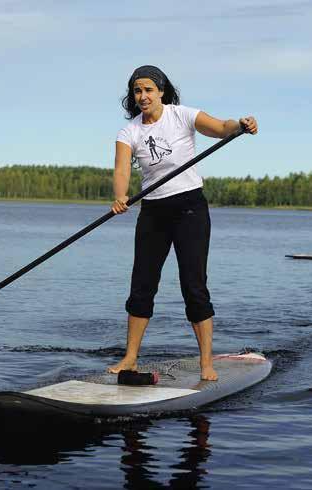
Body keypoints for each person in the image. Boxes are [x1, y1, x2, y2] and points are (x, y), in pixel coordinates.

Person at [108, 65, 258, 381]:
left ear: (161, 91)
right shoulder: (129, 132)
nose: (143, 96)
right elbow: (122, 169)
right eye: (137, 91)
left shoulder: (182, 115)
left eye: (149, 89)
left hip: (189, 208)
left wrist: (239, 125)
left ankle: (206, 363)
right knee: (141, 286)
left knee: (194, 286)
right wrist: (121, 196)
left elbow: (220, 127)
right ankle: (130, 358)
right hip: (152, 212)